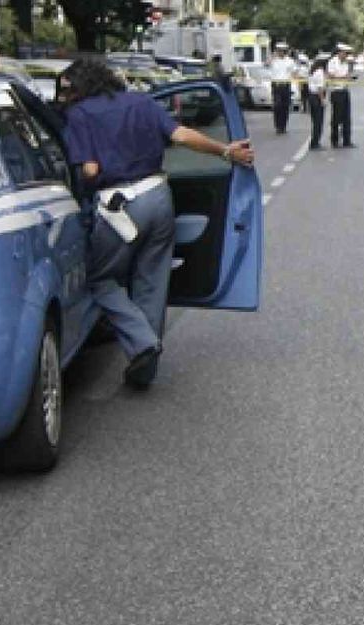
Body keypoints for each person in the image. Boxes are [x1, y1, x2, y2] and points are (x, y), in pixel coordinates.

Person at [62, 60, 255, 389]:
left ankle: (142, 343)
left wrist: (71, 180)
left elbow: (91, 171)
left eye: (67, 88)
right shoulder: (140, 102)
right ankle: (144, 371)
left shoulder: (79, 115)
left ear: (81, 86)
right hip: (159, 196)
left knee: (100, 280)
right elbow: (182, 136)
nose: (64, 96)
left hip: (117, 207)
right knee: (152, 282)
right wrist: (225, 151)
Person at [327, 44, 355, 147]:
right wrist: (343, 77)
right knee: (336, 118)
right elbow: (330, 75)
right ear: (339, 52)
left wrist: (349, 77)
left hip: (344, 90)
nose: (346, 55)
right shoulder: (332, 62)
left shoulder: (346, 63)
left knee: (346, 117)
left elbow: (348, 76)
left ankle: (347, 141)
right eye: (345, 53)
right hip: (336, 91)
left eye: (347, 54)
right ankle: (334, 140)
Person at [269, 43, 296, 134]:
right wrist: (272, 56)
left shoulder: (290, 61)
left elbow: (294, 72)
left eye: (282, 51)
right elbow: (266, 64)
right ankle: (278, 126)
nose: (280, 52)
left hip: (286, 85)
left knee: (285, 106)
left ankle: (283, 126)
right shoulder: (273, 60)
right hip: (276, 85)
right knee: (277, 106)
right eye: (279, 51)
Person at [306, 57, 327, 149]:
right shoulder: (320, 73)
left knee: (315, 121)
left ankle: (314, 142)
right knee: (318, 121)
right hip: (316, 98)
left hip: (311, 96)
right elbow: (320, 88)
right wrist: (322, 100)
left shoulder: (313, 71)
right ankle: (315, 143)